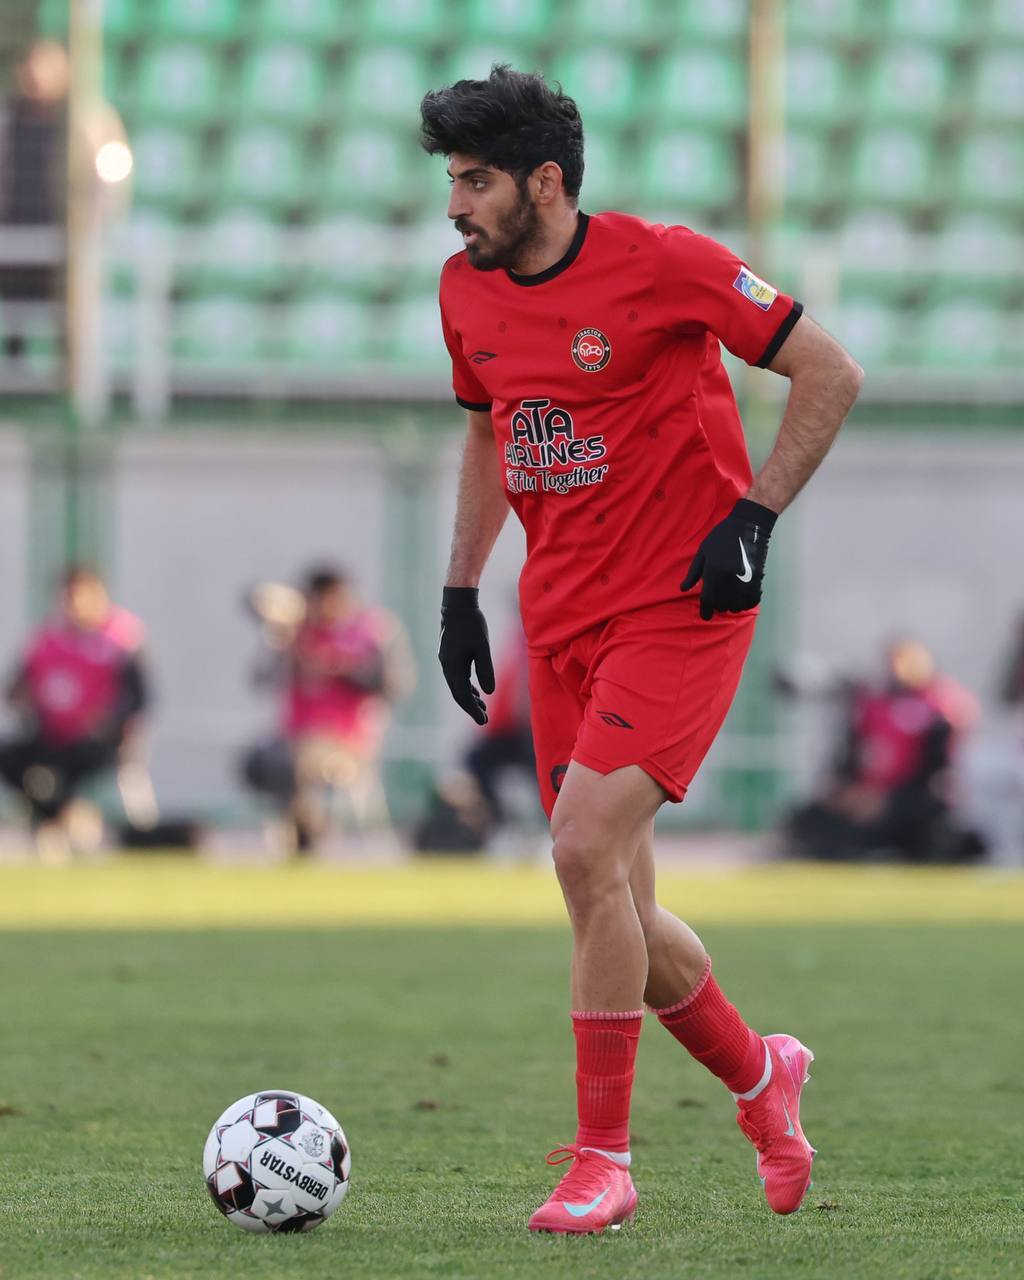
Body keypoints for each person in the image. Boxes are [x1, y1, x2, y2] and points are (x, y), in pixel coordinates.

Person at [422, 66, 863, 1233]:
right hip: (559, 615)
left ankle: (603, 1160)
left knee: (579, 849)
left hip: (680, 605)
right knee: (612, 897)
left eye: (475, 181)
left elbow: (830, 371)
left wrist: (754, 517)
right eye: (451, 181)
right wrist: (460, 592)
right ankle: (763, 1075)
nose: (455, 206)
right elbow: (489, 435)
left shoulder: (665, 262)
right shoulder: (462, 292)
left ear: (545, 182)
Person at [242, 567, 414, 852]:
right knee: (260, 763)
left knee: (294, 761)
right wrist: (276, 637)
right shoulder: (297, 633)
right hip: (294, 739)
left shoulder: (369, 631)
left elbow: (395, 685)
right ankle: (303, 827)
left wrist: (342, 668)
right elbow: (260, 678)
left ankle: (308, 832)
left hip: (346, 743)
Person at [786, 638, 983, 862]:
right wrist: (851, 789)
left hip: (911, 796)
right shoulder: (871, 705)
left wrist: (888, 798)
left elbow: (936, 767)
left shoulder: (937, 706)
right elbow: (853, 757)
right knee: (815, 817)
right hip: (869, 793)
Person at [0, 566, 149, 847]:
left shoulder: (120, 638)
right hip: (52, 734)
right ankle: (63, 816)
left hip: (99, 740)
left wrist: (110, 720)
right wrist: (24, 699)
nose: (73, 604)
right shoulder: (46, 639)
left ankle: (67, 816)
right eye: (67, 597)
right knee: (11, 758)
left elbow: (139, 698)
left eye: (79, 596)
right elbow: (15, 687)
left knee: (73, 764)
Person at [0, 40, 68, 362]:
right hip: (13, 229)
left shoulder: (77, 123)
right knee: (16, 316)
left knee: (62, 312)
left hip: (61, 235)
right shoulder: (7, 119)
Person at [464, 620, 535, 833]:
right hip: (509, 730)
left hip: (532, 728)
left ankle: (548, 824)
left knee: (544, 774)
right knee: (477, 760)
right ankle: (497, 820)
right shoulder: (519, 637)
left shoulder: (536, 636)